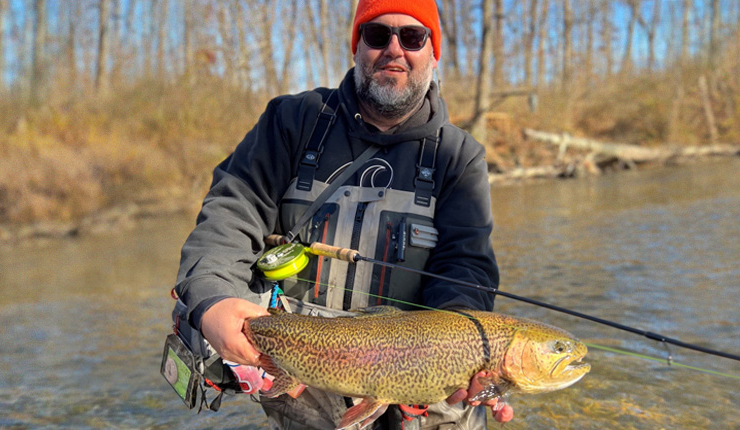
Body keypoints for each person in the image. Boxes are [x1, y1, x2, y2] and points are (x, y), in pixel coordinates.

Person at [174, 0, 512, 428]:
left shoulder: (457, 156)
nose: (393, 48)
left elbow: (466, 267)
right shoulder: (293, 121)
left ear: (433, 52)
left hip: (421, 390)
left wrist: (465, 356)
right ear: (357, 47)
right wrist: (212, 298)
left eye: (412, 36)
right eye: (376, 35)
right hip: (306, 383)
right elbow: (231, 214)